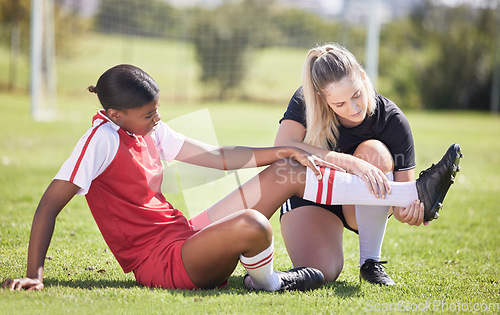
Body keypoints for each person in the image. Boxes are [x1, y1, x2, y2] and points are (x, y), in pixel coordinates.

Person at [2, 64, 460, 292]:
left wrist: (280, 149)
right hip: (159, 263)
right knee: (255, 226)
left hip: (183, 237)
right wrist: (34, 276)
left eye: (158, 109)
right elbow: (49, 204)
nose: (157, 119)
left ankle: (409, 193)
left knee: (286, 170)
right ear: (114, 114)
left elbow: (218, 157)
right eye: (147, 114)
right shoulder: (99, 141)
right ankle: (270, 282)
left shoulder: (149, 131)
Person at [273, 43, 459, 285]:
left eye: (356, 95)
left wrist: (413, 209)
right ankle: (268, 280)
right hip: (311, 195)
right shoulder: (306, 99)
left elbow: (401, 210)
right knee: (321, 272)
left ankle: (371, 262)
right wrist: (352, 163)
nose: (353, 108)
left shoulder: (392, 120)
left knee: (374, 152)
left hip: (358, 206)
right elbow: (281, 147)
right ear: (322, 98)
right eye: (339, 104)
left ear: (362, 77)